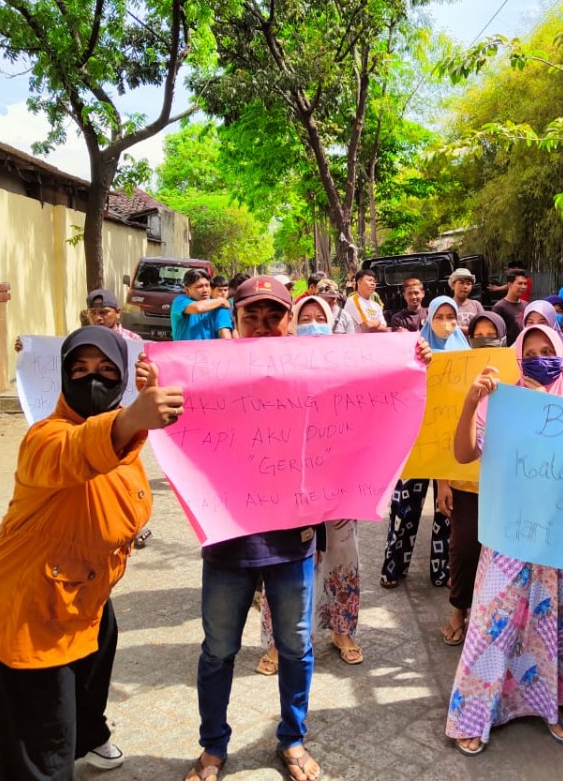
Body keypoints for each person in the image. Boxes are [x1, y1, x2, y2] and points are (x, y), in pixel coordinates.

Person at [0, 327, 182, 777]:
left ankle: (89, 736)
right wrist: (129, 419)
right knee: (43, 741)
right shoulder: (44, 439)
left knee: (90, 680)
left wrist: (139, 409)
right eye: (81, 370)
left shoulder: (122, 442)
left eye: (108, 371)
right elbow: (79, 450)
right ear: (64, 377)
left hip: (86, 591)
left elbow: (113, 454)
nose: (94, 380)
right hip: (31, 604)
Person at [446, 324, 563, 755]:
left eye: (545, 349)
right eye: (528, 351)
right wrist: (470, 402)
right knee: (494, 621)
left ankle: (556, 703)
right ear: (517, 357)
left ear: (561, 354)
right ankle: (475, 712)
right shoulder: (501, 405)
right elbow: (463, 454)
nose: (537, 358)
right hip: (510, 534)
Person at [186, 276, 320, 781]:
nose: (263, 327)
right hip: (228, 543)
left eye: (274, 316)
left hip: (293, 541)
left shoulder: (316, 374)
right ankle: (213, 748)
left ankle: (293, 739)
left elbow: (374, 392)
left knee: (295, 646)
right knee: (219, 649)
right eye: (251, 318)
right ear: (235, 324)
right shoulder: (208, 378)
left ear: (290, 322)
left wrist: (411, 357)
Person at [256, 295, 365, 675]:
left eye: (321, 316)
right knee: (284, 562)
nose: (314, 322)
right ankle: (277, 642)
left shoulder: (348, 366)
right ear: (291, 322)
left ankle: (343, 631)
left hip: (338, 486)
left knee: (341, 556)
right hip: (288, 486)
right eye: (306, 317)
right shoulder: (276, 365)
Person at [379, 298, 466, 591]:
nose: (446, 323)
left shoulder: (465, 354)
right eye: (439, 317)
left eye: (451, 317)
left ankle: (441, 572)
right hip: (415, 443)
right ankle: (393, 566)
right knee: (404, 508)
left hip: (450, 446)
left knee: (446, 510)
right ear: (429, 320)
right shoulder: (416, 350)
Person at [436, 312, 506, 647]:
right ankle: (458, 611)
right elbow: (441, 435)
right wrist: (443, 483)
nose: (485, 338)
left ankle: (491, 616)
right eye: (479, 333)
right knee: (463, 550)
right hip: (465, 484)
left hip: (504, 488)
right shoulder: (454, 373)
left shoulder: (516, 377)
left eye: (492, 333)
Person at [171, 269, 233, 341]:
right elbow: (198, 308)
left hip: (210, 351)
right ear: (187, 290)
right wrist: (222, 301)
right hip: (185, 351)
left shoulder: (218, 305)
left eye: (207, 285)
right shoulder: (180, 301)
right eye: (199, 286)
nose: (205, 290)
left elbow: (225, 335)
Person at [491, 268, 529, 345]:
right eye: (520, 283)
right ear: (509, 285)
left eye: (525, 284)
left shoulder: (526, 305)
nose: (523, 287)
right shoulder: (499, 307)